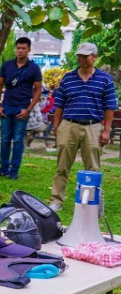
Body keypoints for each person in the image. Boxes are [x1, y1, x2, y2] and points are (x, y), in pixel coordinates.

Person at [49, 42, 118, 211]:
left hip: (93, 127)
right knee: (62, 167)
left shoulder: (104, 79)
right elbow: (59, 104)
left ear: (94, 57)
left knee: (93, 168)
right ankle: (56, 200)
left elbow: (109, 106)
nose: (81, 59)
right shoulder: (68, 78)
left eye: (85, 56)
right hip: (69, 124)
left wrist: (107, 130)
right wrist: (57, 127)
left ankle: (92, 202)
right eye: (79, 55)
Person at [0, 37, 43, 180]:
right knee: (5, 139)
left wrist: (28, 109)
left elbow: (38, 90)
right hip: (6, 107)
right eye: (18, 48)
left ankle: (14, 170)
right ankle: (3, 168)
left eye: (24, 48)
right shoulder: (7, 65)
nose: (20, 51)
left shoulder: (33, 68)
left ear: (29, 50)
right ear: (15, 49)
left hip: (22, 109)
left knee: (18, 140)